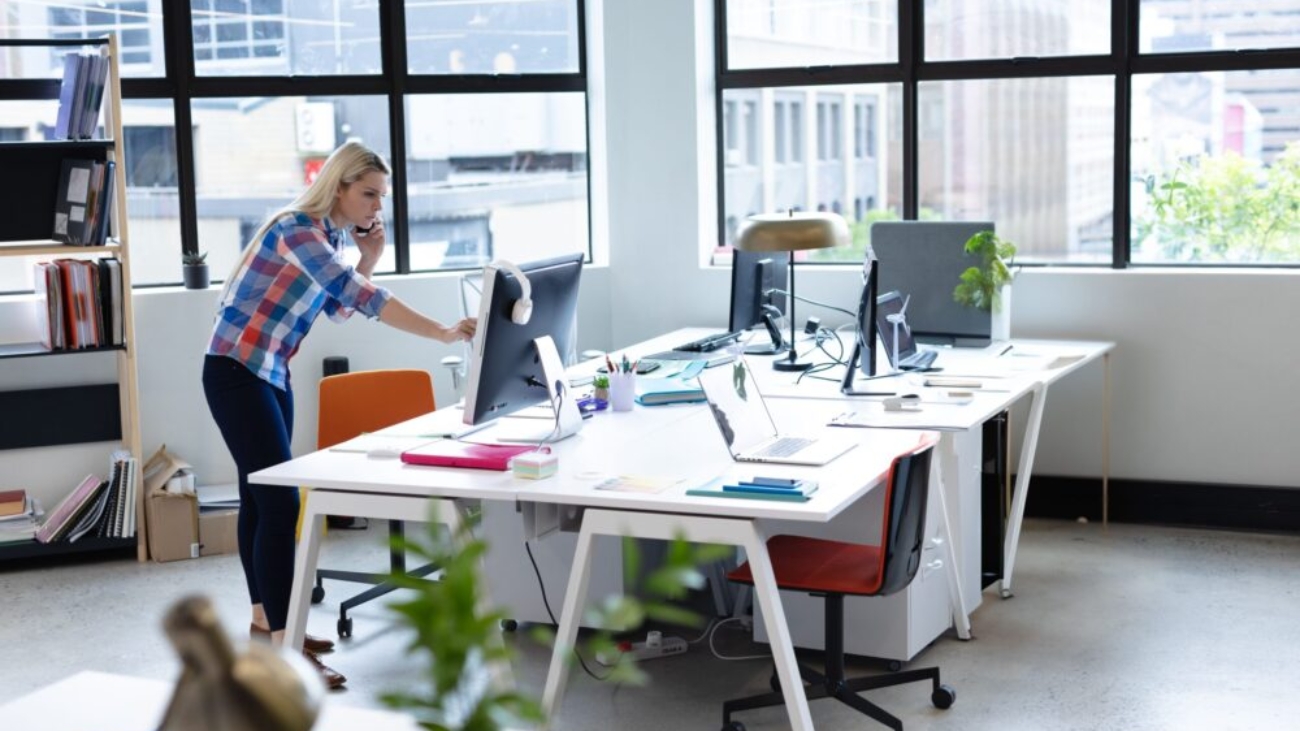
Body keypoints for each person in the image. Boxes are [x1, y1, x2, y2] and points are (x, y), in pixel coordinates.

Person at [201, 141, 475, 690]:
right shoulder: (296, 229)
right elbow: (358, 297)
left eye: (382, 196)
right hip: (235, 371)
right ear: (340, 187)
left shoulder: (327, 237)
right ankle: (285, 651)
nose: (377, 207)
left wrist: (367, 257)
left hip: (268, 371)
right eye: (369, 194)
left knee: (261, 497)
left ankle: (266, 627)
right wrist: (443, 331)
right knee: (280, 502)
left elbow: (334, 305)